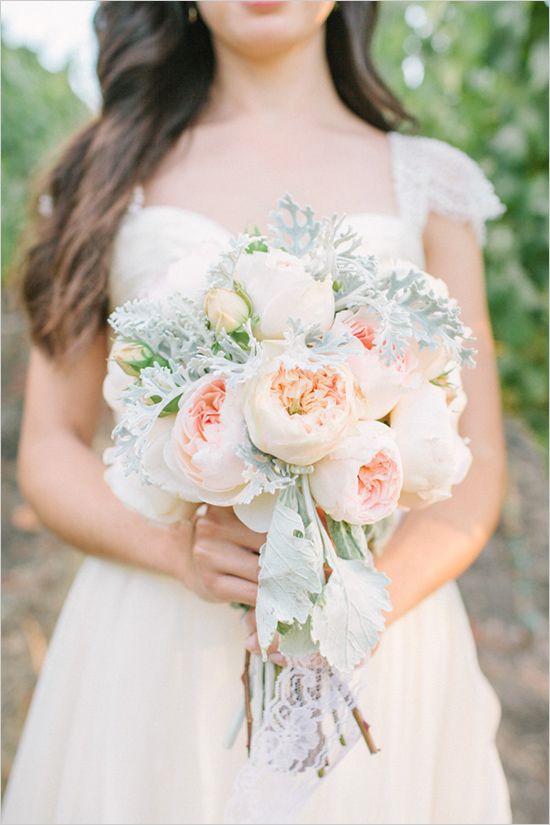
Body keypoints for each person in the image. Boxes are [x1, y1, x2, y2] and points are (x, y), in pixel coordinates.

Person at [2, 2, 512, 823]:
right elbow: (50, 449)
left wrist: (362, 605)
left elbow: (479, 457)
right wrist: (175, 550)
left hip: (383, 634)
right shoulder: (109, 170)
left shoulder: (430, 181)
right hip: (153, 640)